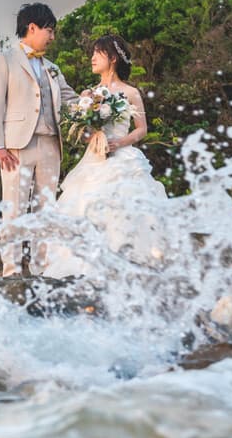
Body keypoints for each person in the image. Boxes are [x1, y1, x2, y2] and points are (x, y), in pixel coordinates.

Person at [41, 34, 169, 278]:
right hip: (93, 160)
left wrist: (120, 142)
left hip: (123, 158)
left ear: (111, 58)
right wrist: (92, 136)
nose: (91, 58)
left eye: (96, 53)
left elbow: (142, 129)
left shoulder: (130, 92)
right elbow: (82, 129)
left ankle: (130, 266)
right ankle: (85, 269)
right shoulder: (88, 94)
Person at [0, 2, 79, 275]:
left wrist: (96, 102)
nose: (53, 37)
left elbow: (71, 99)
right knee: (14, 208)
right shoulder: (4, 60)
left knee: (45, 211)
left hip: (50, 144)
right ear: (32, 27)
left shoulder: (52, 67)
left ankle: (40, 270)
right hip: (16, 147)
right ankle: (11, 270)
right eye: (49, 30)